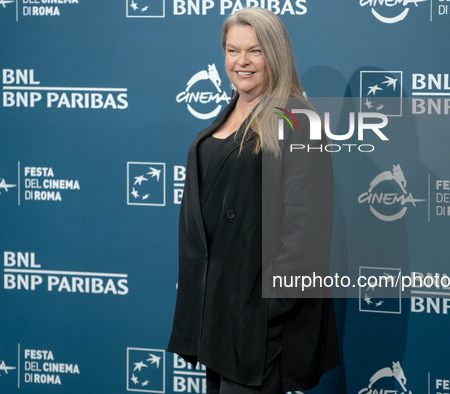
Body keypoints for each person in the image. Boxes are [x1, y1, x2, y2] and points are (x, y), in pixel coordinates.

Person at [167, 7, 339, 393]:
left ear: (275, 54)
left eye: (254, 51)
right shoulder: (227, 115)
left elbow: (305, 238)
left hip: (259, 330)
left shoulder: (297, 121)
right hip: (216, 323)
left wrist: (264, 309)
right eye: (232, 50)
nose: (241, 62)